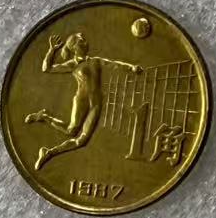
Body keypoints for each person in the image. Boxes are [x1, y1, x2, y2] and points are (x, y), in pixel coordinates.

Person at [23, 32, 140, 170]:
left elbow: (114, 64)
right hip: (81, 100)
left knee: (81, 141)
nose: (85, 42)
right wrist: (51, 50)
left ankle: (49, 152)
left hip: (96, 103)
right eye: (81, 41)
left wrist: (131, 67)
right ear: (74, 48)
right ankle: (44, 116)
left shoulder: (95, 60)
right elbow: (47, 68)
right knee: (70, 131)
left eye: (84, 40)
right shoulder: (73, 64)